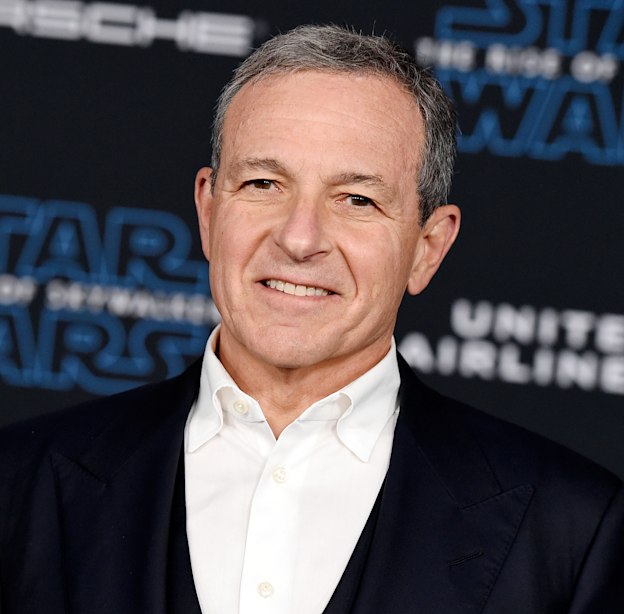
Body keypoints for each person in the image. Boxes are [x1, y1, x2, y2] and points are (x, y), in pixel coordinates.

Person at [1, 24, 623, 614]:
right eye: (264, 184)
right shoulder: (16, 484)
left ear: (427, 248)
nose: (300, 239)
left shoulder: (572, 529)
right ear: (209, 212)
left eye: (357, 199)